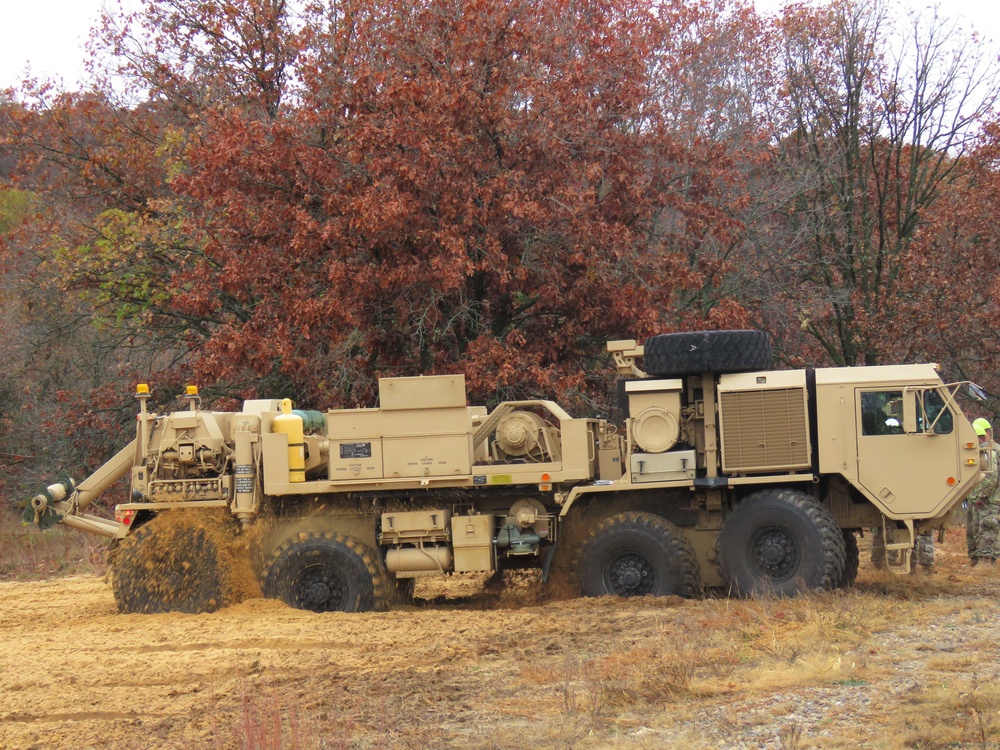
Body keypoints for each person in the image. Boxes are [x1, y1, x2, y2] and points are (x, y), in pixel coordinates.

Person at [968, 417, 1000, 566]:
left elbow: (991, 477)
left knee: (987, 530)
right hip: (978, 499)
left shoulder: (990, 451)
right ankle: (976, 561)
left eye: (981, 436)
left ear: (988, 433)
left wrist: (981, 496)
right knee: (975, 531)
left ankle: (986, 562)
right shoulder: (980, 450)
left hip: (988, 500)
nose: (979, 440)